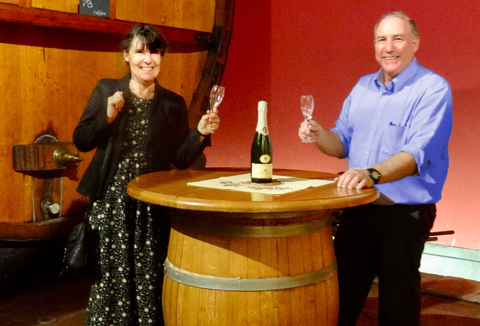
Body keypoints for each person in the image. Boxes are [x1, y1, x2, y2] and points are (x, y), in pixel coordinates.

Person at [298, 11, 453, 326]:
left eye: (398, 39)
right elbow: (340, 142)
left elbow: (415, 155)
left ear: (415, 43)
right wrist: (319, 135)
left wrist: (370, 174)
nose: (389, 47)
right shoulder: (363, 86)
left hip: (403, 213)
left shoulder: (433, 88)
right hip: (358, 208)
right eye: (382, 39)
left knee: (397, 306)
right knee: (339, 298)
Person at [73, 24, 220, 325]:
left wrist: (200, 133)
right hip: (112, 200)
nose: (147, 58)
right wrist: (108, 115)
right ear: (126, 55)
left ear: (162, 56)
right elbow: (82, 139)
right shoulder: (106, 89)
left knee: (148, 273)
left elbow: (179, 158)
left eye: (154, 51)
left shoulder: (173, 103)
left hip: (151, 202)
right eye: (139, 51)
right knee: (112, 278)